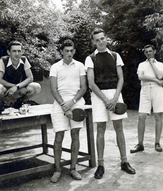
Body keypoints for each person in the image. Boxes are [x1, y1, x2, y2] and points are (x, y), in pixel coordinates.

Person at [85, 28, 135, 179]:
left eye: (102, 39)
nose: (100, 42)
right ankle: (100, 165)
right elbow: (91, 83)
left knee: (119, 128)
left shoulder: (115, 56)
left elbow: (121, 79)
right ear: (93, 42)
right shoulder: (90, 58)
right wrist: (106, 100)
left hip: (115, 94)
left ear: (107, 39)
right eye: (97, 40)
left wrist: (114, 98)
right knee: (100, 129)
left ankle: (124, 162)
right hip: (99, 96)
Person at [49, 39, 87, 183]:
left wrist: (72, 102)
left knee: (75, 135)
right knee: (59, 137)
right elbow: (53, 89)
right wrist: (64, 105)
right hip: (59, 105)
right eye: (66, 51)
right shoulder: (55, 67)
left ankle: (73, 168)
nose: (69, 53)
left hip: (76, 103)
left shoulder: (80, 65)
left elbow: (83, 88)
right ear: (62, 52)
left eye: (71, 51)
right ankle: (58, 170)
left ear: (74, 51)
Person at [130, 44, 163, 153]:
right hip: (145, 90)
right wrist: (156, 80)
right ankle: (140, 144)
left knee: (158, 115)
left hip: (157, 90)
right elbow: (141, 77)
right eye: (146, 52)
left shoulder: (160, 65)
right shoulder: (141, 65)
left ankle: (157, 142)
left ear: (154, 51)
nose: (148, 53)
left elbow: (160, 76)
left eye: (150, 51)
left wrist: (152, 63)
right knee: (142, 116)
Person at [0, 40, 41, 113]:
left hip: (18, 88)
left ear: (22, 52)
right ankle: (2, 104)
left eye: (19, 51)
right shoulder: (3, 60)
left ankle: (19, 102)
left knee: (36, 87)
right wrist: (13, 86)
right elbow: (0, 79)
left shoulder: (24, 59)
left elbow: (30, 78)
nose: (17, 54)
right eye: (14, 51)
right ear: (9, 52)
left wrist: (17, 87)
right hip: (6, 89)